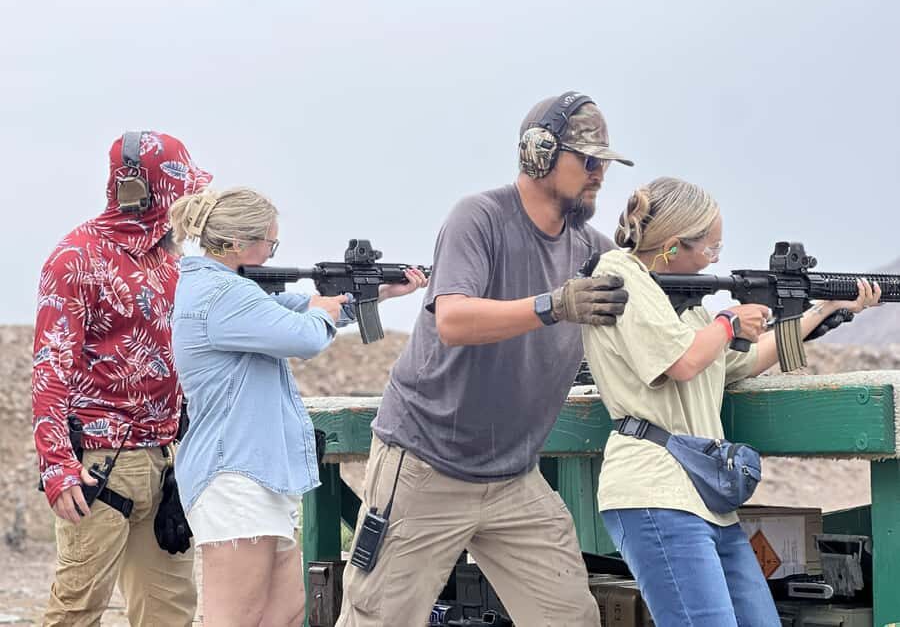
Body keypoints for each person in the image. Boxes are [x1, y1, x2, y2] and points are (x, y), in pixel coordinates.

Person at [337, 92, 633, 626]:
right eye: (587, 161)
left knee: (570, 617)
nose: (599, 175)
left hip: (513, 477)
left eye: (604, 163)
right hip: (426, 465)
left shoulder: (593, 248)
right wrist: (554, 305)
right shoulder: (479, 218)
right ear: (539, 154)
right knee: (378, 618)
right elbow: (453, 320)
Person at [582, 176, 881, 627]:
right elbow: (681, 361)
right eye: (711, 249)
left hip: (706, 496)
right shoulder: (619, 273)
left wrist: (821, 312)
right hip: (656, 490)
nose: (713, 260)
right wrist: (728, 322)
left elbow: (739, 364)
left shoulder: (686, 304)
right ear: (673, 245)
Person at [166, 186, 427, 627]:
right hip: (235, 476)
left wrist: (375, 293)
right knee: (235, 618)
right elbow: (304, 334)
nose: (272, 251)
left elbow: (293, 309)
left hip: (254, 473)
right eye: (270, 242)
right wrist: (324, 312)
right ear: (237, 243)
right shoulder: (221, 295)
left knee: (284, 611)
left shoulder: (230, 290)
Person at [32, 131, 212, 626]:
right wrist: (57, 466)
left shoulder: (170, 261)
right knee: (77, 610)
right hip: (98, 464)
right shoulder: (76, 258)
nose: (189, 206)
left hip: (163, 460)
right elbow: (50, 365)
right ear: (143, 192)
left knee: (170, 611)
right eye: (182, 193)